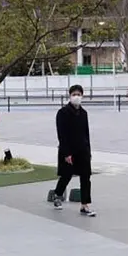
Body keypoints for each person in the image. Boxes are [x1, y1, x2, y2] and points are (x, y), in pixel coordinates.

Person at [52, 84, 96, 217]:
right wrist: (66, 153)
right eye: (74, 94)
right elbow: (61, 134)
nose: (76, 97)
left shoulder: (84, 113)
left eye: (79, 94)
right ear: (70, 96)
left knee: (86, 177)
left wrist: (88, 151)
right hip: (69, 150)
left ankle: (85, 205)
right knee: (67, 175)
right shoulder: (63, 113)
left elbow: (86, 133)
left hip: (83, 150)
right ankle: (58, 194)